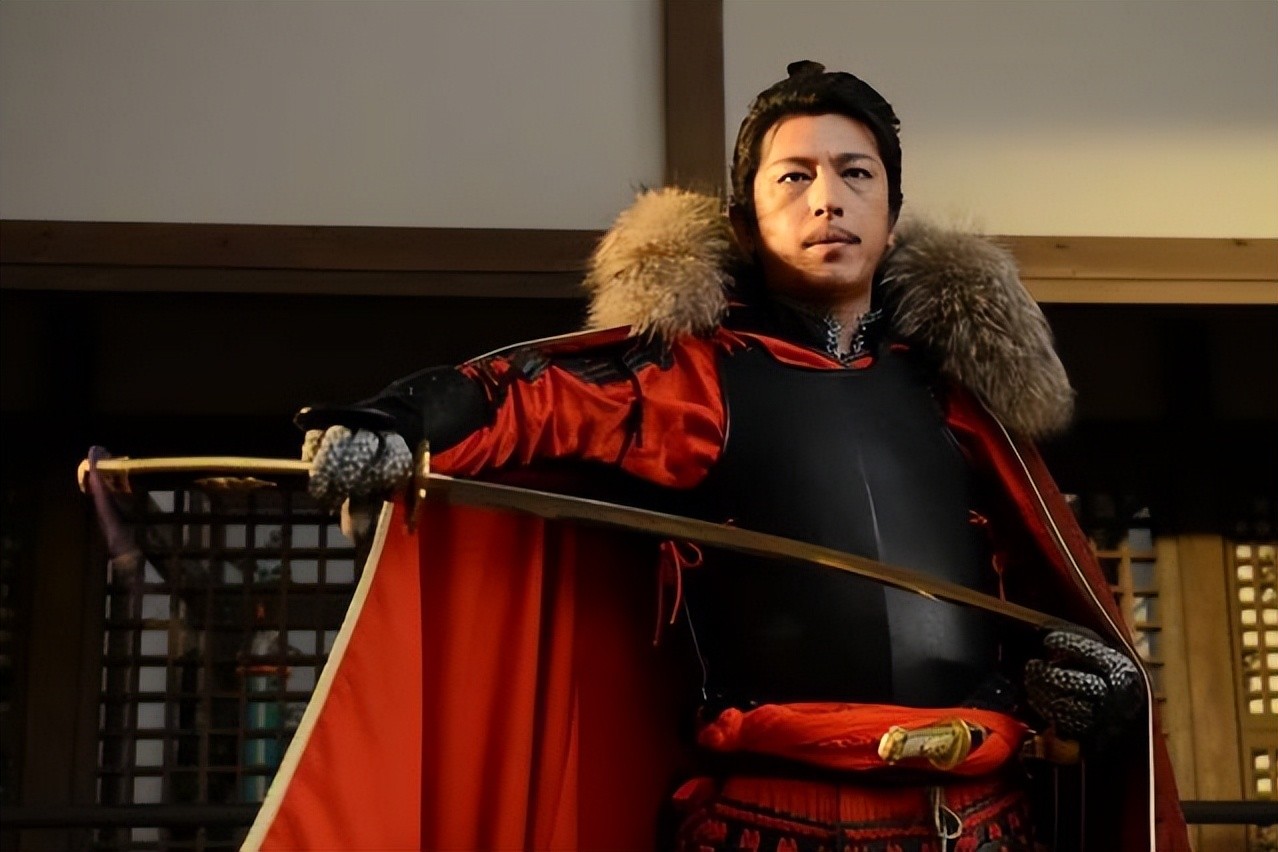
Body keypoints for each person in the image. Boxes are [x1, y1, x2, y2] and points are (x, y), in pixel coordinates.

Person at [296, 62, 1188, 851]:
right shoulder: (693, 380)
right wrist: (398, 424)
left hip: (982, 818)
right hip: (773, 819)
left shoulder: (962, 400)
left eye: (856, 174)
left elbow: (1036, 604)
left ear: (892, 213)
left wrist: (1097, 691)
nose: (827, 200)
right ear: (745, 219)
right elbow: (521, 397)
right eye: (794, 176)